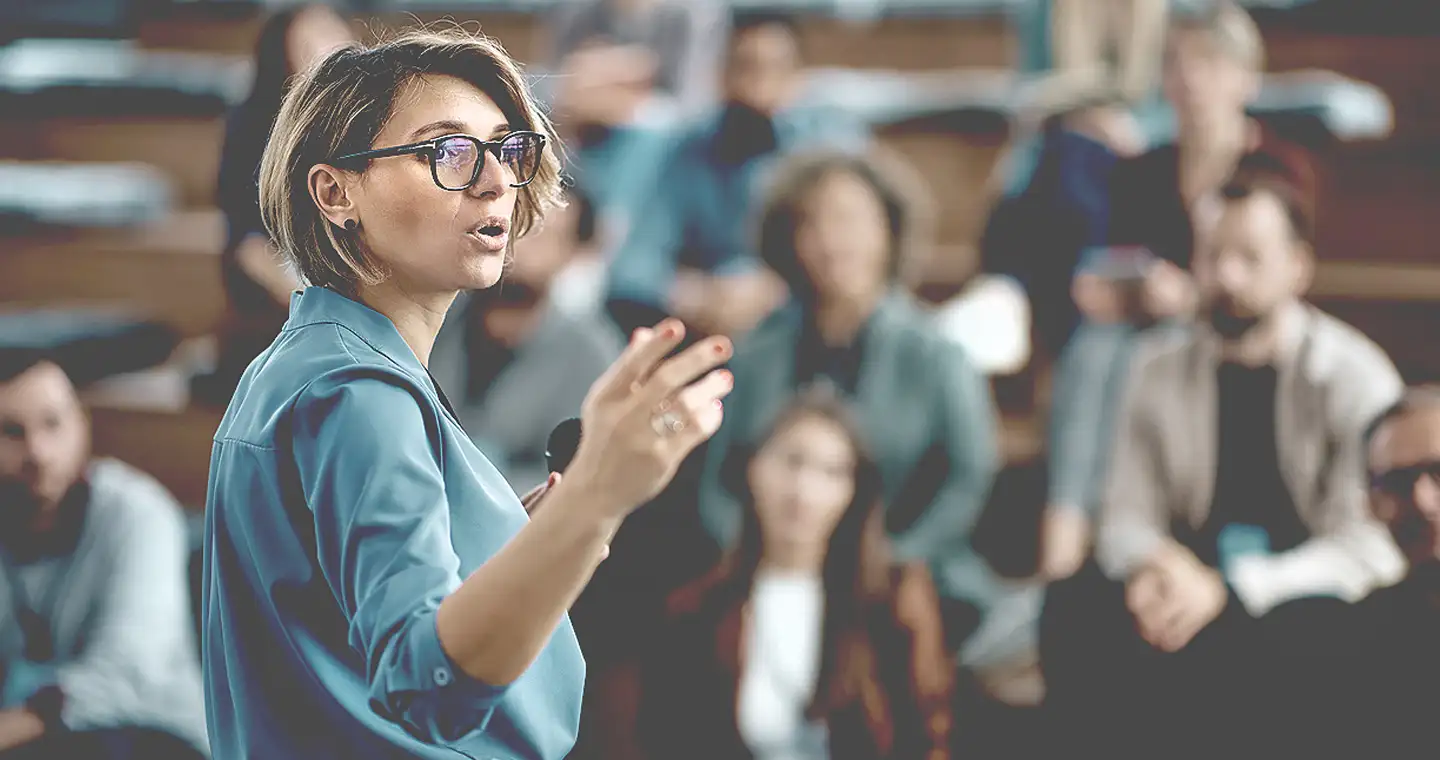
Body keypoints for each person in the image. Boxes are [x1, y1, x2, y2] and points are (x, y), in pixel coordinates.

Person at [200, 28, 734, 760]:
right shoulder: (355, 391)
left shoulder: (310, 359)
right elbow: (430, 687)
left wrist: (514, 539)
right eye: (445, 152)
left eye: (508, 151)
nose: (495, 183)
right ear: (335, 192)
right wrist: (594, 500)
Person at [1039, 151, 1405, 755]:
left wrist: (1231, 588)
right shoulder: (1154, 367)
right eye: (1213, 256)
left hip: (1293, 596)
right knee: (1073, 609)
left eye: (1250, 258)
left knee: (1318, 632)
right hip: (1185, 588)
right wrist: (1159, 570)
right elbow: (1124, 515)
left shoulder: (1353, 376)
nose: (1228, 277)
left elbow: (1366, 546)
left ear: (1298, 267)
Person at [697, 149, 1000, 656]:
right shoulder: (754, 354)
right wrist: (760, 563)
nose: (832, 241)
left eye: (849, 220)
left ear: (889, 229)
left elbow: (967, 478)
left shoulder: (937, 355)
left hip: (902, 574)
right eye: (811, 223)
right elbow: (717, 480)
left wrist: (890, 562)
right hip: (764, 577)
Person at [640, 390, 953, 759]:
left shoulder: (892, 599)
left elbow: (926, 737)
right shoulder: (700, 608)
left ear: (854, 491)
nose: (803, 490)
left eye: (831, 472)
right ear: (753, 468)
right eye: (791, 461)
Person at [603, 11, 868, 341]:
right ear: (720, 74)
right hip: (708, 328)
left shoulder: (827, 147)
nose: (758, 86)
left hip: (803, 324)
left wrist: (775, 286)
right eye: (745, 67)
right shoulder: (688, 151)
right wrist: (693, 293)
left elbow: (856, 252)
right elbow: (633, 266)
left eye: (775, 68)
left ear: (798, 77)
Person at [0, 354, 207, 760]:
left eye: (53, 424)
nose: (38, 453)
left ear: (82, 425)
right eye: (11, 432)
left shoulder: (138, 513)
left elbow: (127, 671)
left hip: (150, 733)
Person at [197, 3, 356, 405]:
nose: (331, 49)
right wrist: (323, 305)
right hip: (282, 302)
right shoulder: (254, 131)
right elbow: (250, 248)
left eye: (334, 34)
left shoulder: (368, 123)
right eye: (312, 43)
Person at [429, 186, 624, 492]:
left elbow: (576, 478)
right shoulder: (436, 313)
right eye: (515, 224)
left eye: (544, 234)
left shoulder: (590, 353)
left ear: (573, 254)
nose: (521, 244)